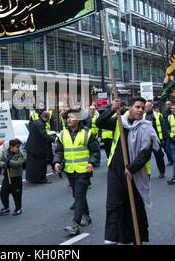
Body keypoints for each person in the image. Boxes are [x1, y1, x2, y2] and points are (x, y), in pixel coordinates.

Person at [96, 96, 159, 245]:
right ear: (129, 107)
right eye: (137, 107)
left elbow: (146, 153)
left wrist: (131, 168)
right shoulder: (119, 122)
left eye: (142, 108)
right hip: (116, 171)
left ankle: (136, 238)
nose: (140, 110)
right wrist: (111, 108)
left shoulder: (145, 127)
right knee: (114, 204)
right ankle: (113, 239)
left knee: (134, 207)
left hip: (134, 173)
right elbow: (100, 122)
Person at [54, 109, 100, 236]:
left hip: (84, 170)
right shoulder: (63, 134)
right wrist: (56, 162)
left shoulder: (87, 133)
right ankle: (87, 215)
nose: (68, 119)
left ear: (78, 119)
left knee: (79, 195)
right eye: (67, 117)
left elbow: (95, 152)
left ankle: (75, 224)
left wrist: (91, 163)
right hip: (70, 170)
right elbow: (59, 151)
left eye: (72, 117)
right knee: (77, 195)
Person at [25, 111, 56, 184]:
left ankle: (32, 178)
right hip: (38, 148)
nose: (48, 121)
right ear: (45, 117)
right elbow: (44, 135)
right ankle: (42, 179)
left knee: (32, 164)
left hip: (31, 146)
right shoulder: (41, 124)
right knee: (41, 164)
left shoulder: (35, 122)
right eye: (48, 119)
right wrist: (54, 139)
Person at [0, 139, 25, 216]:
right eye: (17, 147)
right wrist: (4, 164)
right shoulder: (6, 152)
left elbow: (19, 163)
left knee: (17, 195)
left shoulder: (20, 154)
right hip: (6, 178)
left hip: (16, 178)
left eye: (19, 147)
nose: (19, 148)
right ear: (11, 147)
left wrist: (9, 162)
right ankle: (6, 207)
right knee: (3, 193)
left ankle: (18, 209)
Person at [143, 102, 166, 178]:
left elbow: (163, 127)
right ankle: (147, 173)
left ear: (150, 107)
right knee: (145, 158)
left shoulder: (157, 115)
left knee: (158, 157)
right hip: (146, 140)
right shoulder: (143, 116)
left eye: (146, 107)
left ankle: (161, 171)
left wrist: (162, 139)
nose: (145, 108)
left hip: (156, 139)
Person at [162, 100, 173, 165]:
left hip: (174, 132)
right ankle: (170, 159)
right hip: (166, 133)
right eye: (166, 104)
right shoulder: (164, 113)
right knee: (167, 147)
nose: (167, 106)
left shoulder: (173, 112)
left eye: (168, 104)